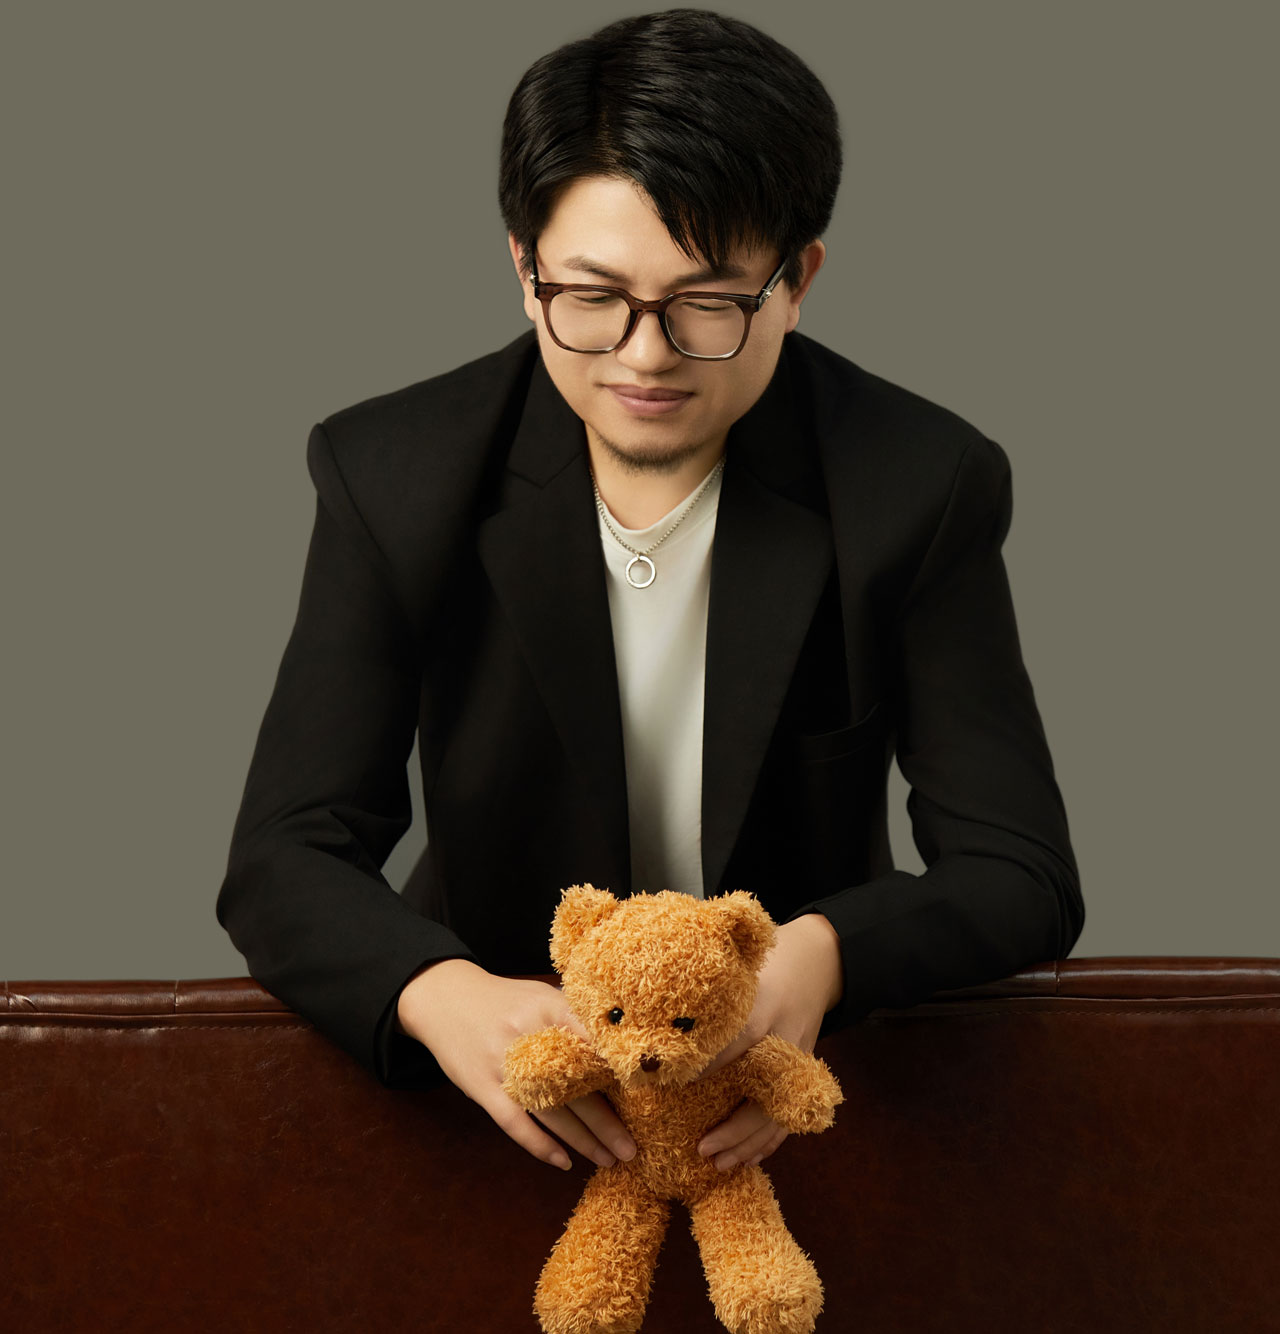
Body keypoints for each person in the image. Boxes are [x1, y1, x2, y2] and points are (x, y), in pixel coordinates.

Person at [216, 9, 1083, 1182]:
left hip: (800, 1107)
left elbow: (1020, 869)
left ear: (796, 280)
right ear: (522, 268)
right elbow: (284, 852)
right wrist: (439, 990)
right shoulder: (391, 472)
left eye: (705, 301)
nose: (642, 354)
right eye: (591, 295)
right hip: (495, 1106)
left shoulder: (917, 483)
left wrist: (820, 954)